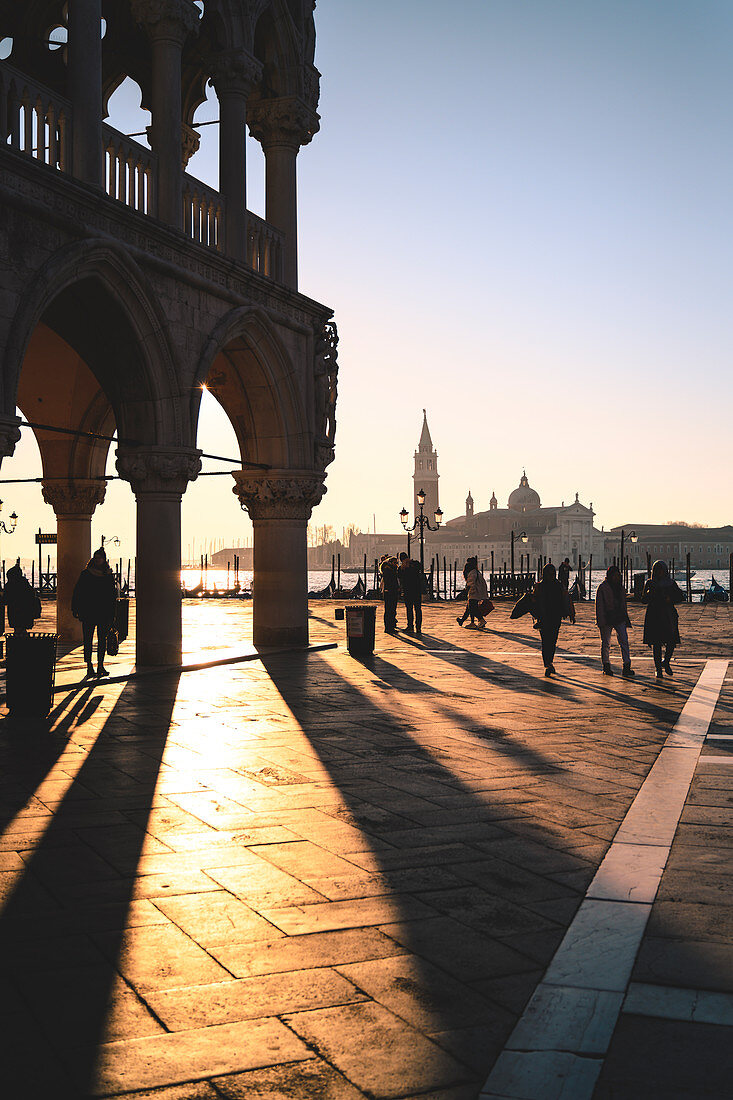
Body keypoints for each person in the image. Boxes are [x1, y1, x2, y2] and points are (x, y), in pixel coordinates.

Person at [72, 547, 118, 678]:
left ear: (104, 560)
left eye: (100, 558)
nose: (98, 560)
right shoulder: (86, 574)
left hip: (104, 613)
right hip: (88, 612)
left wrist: (113, 614)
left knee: (102, 640)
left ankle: (100, 665)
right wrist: (75, 609)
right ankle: (89, 666)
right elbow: (78, 592)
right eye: (96, 558)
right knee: (88, 640)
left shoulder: (108, 575)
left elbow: (112, 596)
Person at [641, 560, 684, 679]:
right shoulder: (650, 583)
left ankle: (666, 662)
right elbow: (643, 599)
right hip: (654, 616)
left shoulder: (671, 583)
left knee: (671, 642)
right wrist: (649, 594)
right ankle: (658, 669)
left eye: (661, 570)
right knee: (656, 644)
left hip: (668, 615)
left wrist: (670, 599)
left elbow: (680, 597)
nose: (659, 572)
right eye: (657, 570)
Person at [533, 561, 575, 676]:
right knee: (546, 641)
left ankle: (549, 662)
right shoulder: (540, 586)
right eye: (549, 574)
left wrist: (571, 613)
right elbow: (534, 601)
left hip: (556, 617)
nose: (551, 576)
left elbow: (566, 598)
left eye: (552, 574)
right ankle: (548, 663)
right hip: (543, 617)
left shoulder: (558, 585)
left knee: (552, 641)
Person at [596, 565, 634, 678]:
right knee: (606, 643)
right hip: (607, 617)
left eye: (618, 576)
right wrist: (600, 621)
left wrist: (625, 617)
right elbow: (599, 605)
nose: (617, 578)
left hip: (619, 617)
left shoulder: (620, 588)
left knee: (624, 640)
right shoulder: (603, 588)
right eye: (615, 575)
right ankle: (606, 665)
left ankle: (626, 665)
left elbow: (623, 604)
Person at [4, 562, 41, 634]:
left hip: (15, 612)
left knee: (17, 630)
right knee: (22, 630)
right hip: (27, 613)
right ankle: (24, 643)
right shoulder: (26, 584)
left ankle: (19, 644)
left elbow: (6, 599)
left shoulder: (10, 585)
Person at [456, 556, 488, 629]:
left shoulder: (472, 573)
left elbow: (471, 584)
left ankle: (481, 620)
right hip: (478, 592)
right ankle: (463, 621)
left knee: (472, 608)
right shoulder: (476, 572)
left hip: (474, 593)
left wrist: (467, 591)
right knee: (469, 608)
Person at [398, 552, 423, 634]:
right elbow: (400, 577)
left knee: (414, 609)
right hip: (412, 590)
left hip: (410, 590)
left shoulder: (414, 564)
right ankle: (414, 627)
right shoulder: (402, 567)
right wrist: (404, 568)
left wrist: (409, 565)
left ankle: (413, 626)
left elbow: (419, 568)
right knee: (414, 609)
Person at [379, 555, 400, 634]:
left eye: (396, 563)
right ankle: (388, 627)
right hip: (389, 592)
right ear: (390, 562)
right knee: (389, 610)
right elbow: (390, 581)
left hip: (392, 591)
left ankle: (391, 626)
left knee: (392, 610)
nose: (396, 564)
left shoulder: (392, 569)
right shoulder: (387, 570)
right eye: (395, 562)